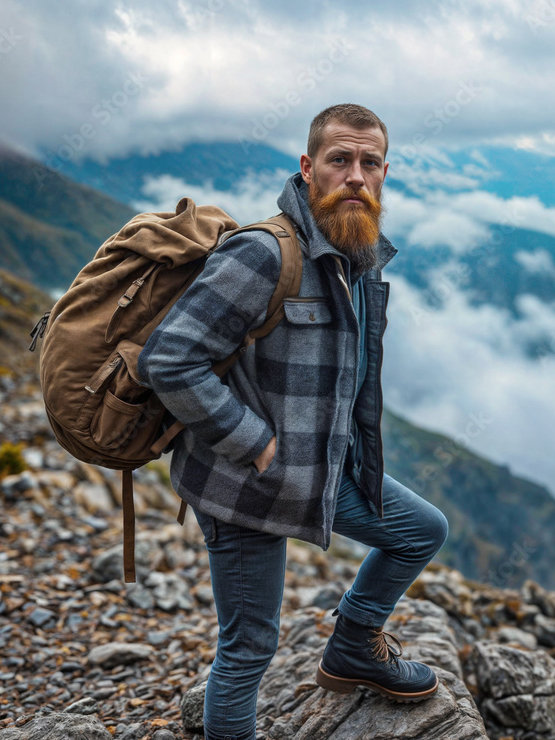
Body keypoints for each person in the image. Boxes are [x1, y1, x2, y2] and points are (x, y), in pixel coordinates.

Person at [138, 103, 449, 740]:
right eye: (340, 160)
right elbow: (168, 360)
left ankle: (354, 648)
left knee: (421, 529)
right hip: (243, 485)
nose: (355, 176)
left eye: (369, 163)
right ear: (309, 169)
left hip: (319, 471)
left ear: (385, 172)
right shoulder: (263, 254)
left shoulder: (356, 255)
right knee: (249, 649)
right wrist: (253, 444)